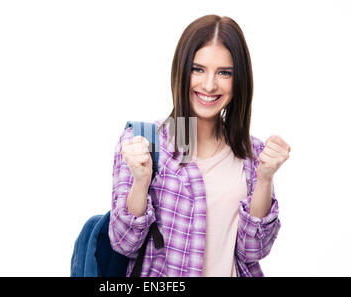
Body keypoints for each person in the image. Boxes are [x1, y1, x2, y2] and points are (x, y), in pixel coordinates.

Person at [108, 14, 291, 277]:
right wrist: (141, 181)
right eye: (198, 69)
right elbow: (123, 243)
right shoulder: (144, 143)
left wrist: (264, 179)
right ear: (181, 70)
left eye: (224, 73)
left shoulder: (251, 154)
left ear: (238, 80)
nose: (209, 84)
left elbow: (254, 251)